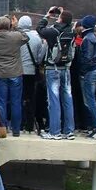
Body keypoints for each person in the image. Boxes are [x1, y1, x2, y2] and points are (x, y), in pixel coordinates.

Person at [0, 16, 29, 137]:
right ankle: (16, 130)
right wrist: (16, 26)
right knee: (16, 102)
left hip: (0, 73)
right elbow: (26, 37)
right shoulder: (16, 36)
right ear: (10, 26)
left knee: (1, 102)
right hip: (15, 72)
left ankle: (2, 128)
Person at [36, 8, 76, 140]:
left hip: (53, 68)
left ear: (61, 19)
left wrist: (47, 16)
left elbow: (39, 29)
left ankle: (54, 131)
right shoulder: (71, 32)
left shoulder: (54, 31)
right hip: (66, 68)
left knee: (54, 100)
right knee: (68, 99)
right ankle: (69, 131)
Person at [79, 15, 96, 138]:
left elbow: (87, 58)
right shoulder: (94, 37)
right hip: (93, 71)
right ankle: (94, 126)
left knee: (90, 101)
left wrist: (82, 72)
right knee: (90, 100)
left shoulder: (87, 39)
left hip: (89, 72)